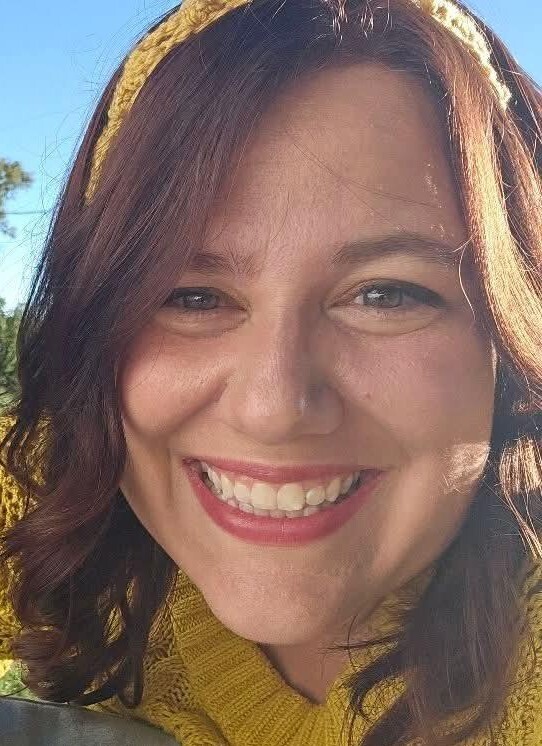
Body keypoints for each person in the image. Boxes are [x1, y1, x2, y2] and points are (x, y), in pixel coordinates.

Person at [0, 0, 541, 744]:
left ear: (512, 338)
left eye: (385, 294)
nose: (272, 407)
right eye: (191, 297)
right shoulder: (63, 491)